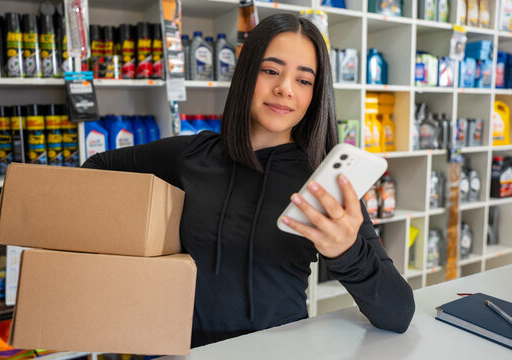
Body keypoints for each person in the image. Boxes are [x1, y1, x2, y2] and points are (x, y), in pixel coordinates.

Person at [82, 13, 415, 347]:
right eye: (271, 71)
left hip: (280, 353)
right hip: (184, 352)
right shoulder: (191, 154)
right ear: (246, 73)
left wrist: (348, 252)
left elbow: (398, 314)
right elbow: (96, 167)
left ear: (315, 95)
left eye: (303, 80)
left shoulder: (323, 184)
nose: (284, 88)